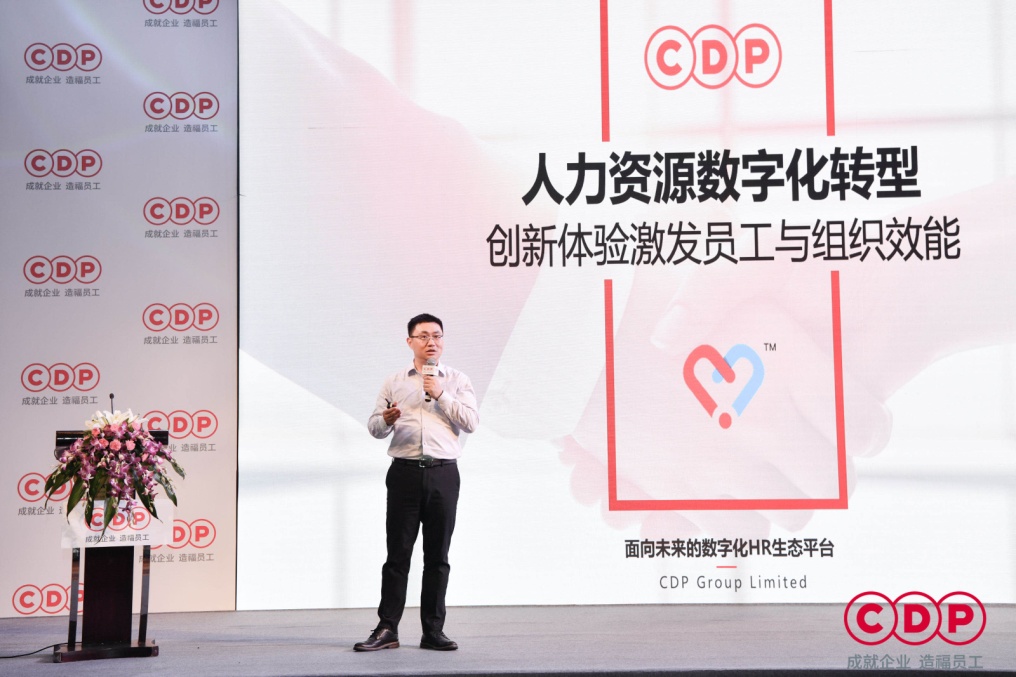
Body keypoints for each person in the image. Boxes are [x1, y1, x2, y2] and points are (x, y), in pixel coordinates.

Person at [354, 313, 479, 652]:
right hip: (404, 474)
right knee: (397, 555)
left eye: (437, 335)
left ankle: (433, 631)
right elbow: (375, 428)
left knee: (437, 556)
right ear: (410, 341)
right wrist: (386, 419)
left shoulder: (457, 380)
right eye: (423, 336)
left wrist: (441, 394)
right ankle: (387, 629)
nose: (431, 342)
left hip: (443, 474)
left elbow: (471, 422)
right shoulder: (394, 381)